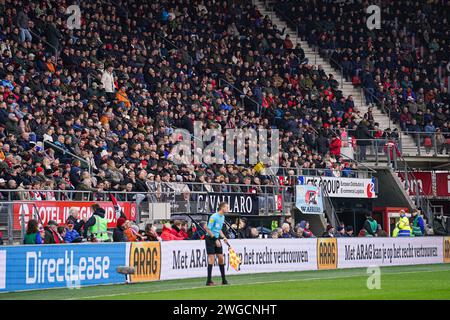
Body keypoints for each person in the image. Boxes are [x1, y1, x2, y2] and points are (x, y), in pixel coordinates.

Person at [204, 202, 230, 286]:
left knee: (221, 258)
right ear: (222, 208)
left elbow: (219, 230)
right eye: (226, 207)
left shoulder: (222, 217)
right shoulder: (214, 217)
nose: (228, 209)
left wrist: (224, 237)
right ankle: (208, 281)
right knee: (211, 258)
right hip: (210, 239)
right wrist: (215, 239)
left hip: (216, 238)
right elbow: (208, 229)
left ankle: (224, 280)